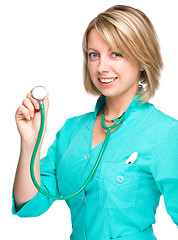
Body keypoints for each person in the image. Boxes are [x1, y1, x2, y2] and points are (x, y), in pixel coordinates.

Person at [12, 5, 178, 240]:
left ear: (143, 60)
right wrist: (30, 142)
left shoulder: (165, 132)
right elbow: (30, 204)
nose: (101, 67)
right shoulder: (71, 131)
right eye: (94, 54)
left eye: (116, 53)